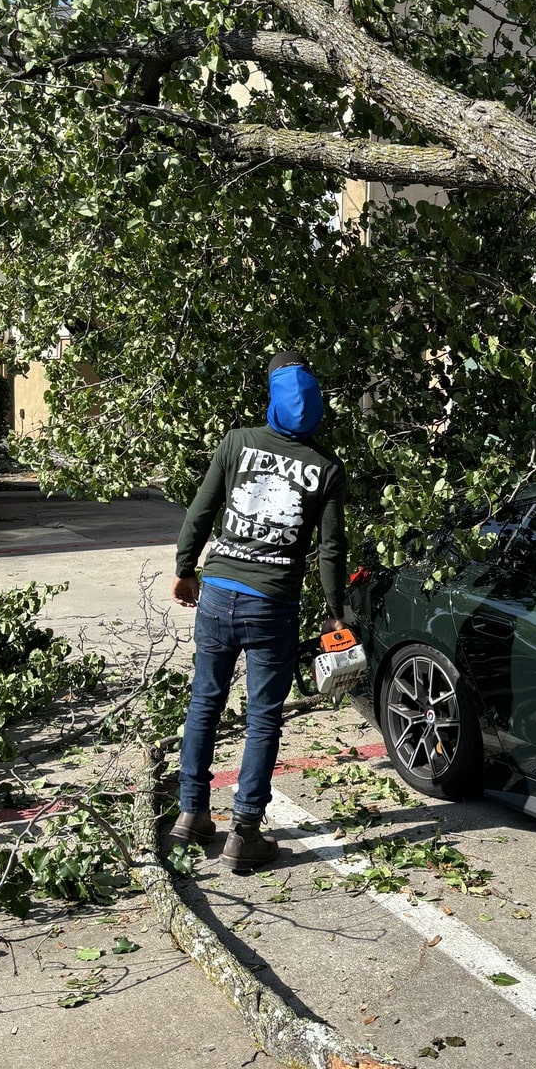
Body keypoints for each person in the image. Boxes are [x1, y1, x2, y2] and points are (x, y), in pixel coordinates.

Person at [170, 350, 346, 873]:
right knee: (263, 716)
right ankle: (243, 832)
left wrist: (185, 567)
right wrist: (335, 612)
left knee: (205, 701)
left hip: (219, 592)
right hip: (273, 606)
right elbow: (330, 550)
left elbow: (202, 509)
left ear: (272, 397)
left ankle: (191, 814)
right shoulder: (328, 468)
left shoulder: (237, 442)